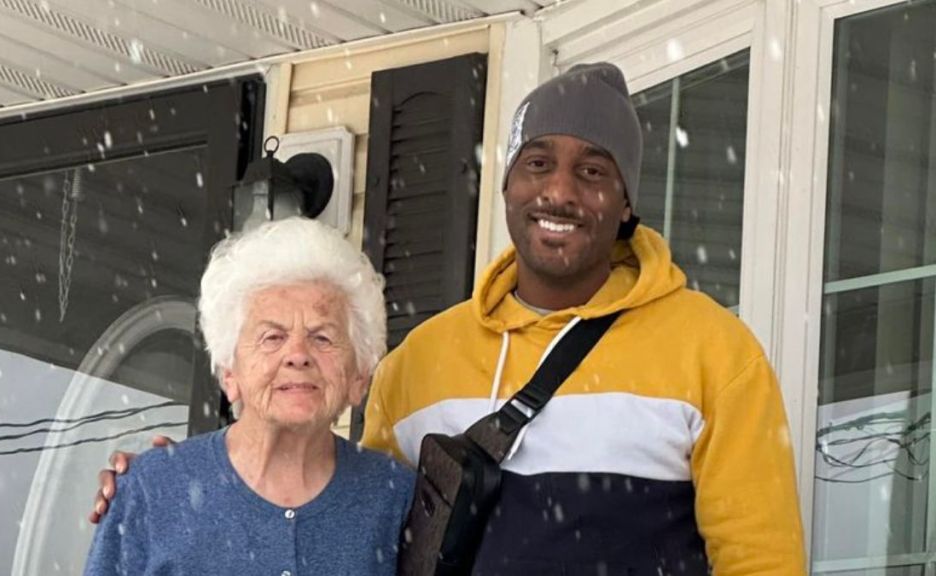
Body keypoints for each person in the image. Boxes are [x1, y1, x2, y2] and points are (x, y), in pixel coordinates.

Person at [93, 62, 806, 575]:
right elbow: (342, 503)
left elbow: (762, 561)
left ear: (625, 203)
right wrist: (179, 480)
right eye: (538, 163)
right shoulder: (419, 363)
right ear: (507, 184)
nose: (559, 190)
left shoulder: (713, 353)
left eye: (593, 172)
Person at [83, 218, 413, 576]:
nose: (297, 354)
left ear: (359, 376)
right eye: (272, 337)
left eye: (322, 337)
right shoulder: (151, 489)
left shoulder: (395, 499)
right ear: (229, 372)